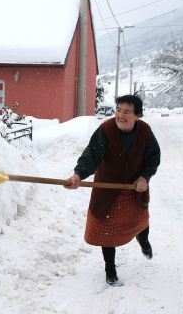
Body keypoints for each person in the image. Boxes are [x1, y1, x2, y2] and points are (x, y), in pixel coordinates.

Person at [65, 95, 161, 286]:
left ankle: (144, 242)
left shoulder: (145, 132)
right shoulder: (106, 130)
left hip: (134, 187)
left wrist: (144, 177)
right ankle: (110, 269)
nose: (120, 115)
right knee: (105, 230)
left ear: (138, 115)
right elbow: (90, 156)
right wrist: (78, 175)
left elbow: (153, 158)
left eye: (126, 111)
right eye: (118, 110)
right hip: (107, 188)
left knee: (140, 221)